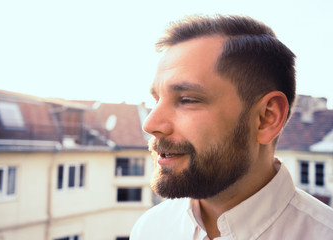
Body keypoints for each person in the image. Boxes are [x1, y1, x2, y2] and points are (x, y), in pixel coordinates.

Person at [130, 14, 333, 240]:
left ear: (267, 118)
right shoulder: (151, 229)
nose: (150, 124)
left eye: (187, 100)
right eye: (156, 99)